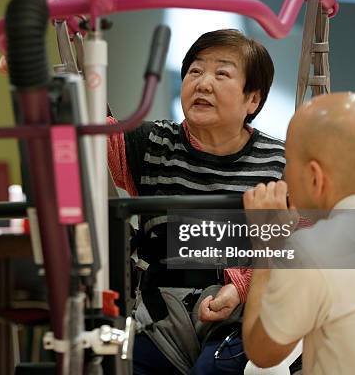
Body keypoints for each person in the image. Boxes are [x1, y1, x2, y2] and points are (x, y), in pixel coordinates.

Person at [106, 29, 285, 374]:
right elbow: (88, 134)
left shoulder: (280, 162)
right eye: (195, 71)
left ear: (253, 100)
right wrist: (37, 76)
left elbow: (300, 247)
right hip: (159, 319)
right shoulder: (153, 143)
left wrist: (241, 287)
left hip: (239, 317)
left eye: (222, 74)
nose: (203, 83)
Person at [242, 92, 355, 374]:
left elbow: (262, 353)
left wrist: (266, 246)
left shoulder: (312, 250)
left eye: (288, 162)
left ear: (314, 177)